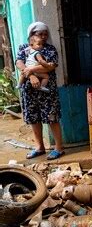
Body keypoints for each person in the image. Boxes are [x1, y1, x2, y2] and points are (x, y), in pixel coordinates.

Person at [15, 21, 65, 160]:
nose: (43, 37)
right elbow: (19, 62)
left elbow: (50, 67)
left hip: (47, 91)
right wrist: (30, 75)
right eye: (39, 34)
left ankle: (59, 148)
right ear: (32, 35)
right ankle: (39, 147)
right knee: (33, 118)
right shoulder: (24, 48)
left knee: (52, 117)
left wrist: (31, 68)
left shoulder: (50, 49)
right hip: (29, 90)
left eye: (45, 34)